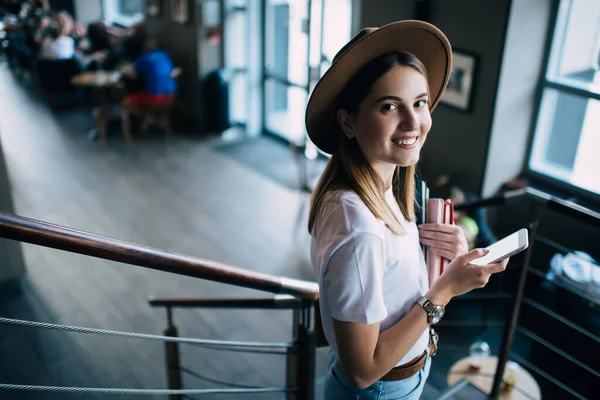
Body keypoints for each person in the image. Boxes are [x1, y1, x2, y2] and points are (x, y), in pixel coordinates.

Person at [306, 20, 509, 399]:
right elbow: (364, 370)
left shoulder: (387, 188)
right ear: (348, 121)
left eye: (419, 102)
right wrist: (445, 291)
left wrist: (446, 264)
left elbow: (392, 287)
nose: (414, 122)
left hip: (403, 378)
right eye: (389, 106)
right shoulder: (359, 227)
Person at [123, 36, 176, 109]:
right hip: (171, 94)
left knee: (127, 101)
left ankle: (146, 118)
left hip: (155, 96)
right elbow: (171, 70)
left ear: (144, 47)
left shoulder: (143, 58)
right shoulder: (164, 54)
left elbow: (133, 76)